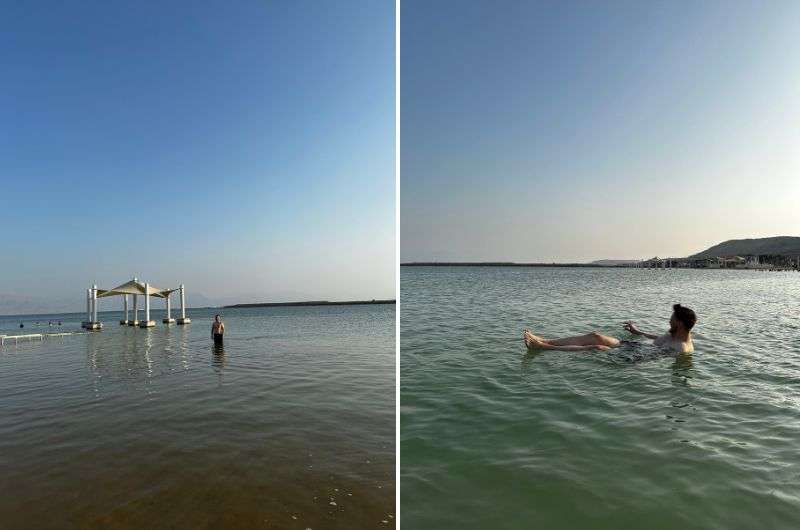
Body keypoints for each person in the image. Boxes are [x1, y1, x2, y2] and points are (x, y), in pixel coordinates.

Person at [524, 304, 696, 354]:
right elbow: (658, 337)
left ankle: (543, 347)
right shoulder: (675, 334)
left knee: (596, 346)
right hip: (632, 345)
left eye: (672, 318)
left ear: (679, 323)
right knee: (595, 335)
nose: (669, 320)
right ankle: (544, 339)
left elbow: (655, 357)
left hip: (634, 355)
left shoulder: (680, 348)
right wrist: (637, 331)